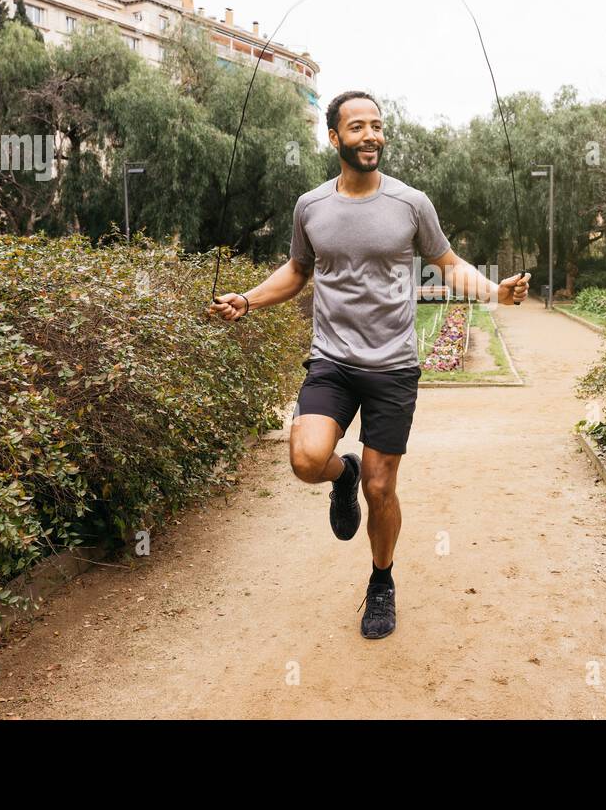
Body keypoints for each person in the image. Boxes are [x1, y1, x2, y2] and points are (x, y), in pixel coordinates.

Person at [209, 90, 530, 639]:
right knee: (308, 460)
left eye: (377, 126)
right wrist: (248, 299)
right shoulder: (311, 206)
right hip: (332, 359)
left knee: (381, 490)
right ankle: (343, 472)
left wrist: (495, 292)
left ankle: (381, 581)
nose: (371, 136)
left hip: (393, 367)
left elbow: (447, 264)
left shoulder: (411, 203)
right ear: (334, 138)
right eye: (357, 127)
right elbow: (296, 270)